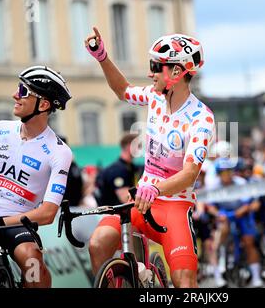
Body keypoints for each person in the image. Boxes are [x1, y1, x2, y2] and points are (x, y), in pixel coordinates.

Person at [85, 27, 215, 287]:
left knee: (185, 282)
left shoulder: (202, 118)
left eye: (156, 66)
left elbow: (189, 174)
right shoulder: (155, 96)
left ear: (176, 72)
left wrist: (155, 189)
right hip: (142, 201)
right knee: (98, 243)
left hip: (175, 205)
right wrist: (102, 56)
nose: (149, 73)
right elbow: (123, 90)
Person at [0, 66, 73, 287]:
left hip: (17, 222)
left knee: (33, 263)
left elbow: (48, 214)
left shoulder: (59, 151)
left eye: (23, 91)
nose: (15, 95)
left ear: (44, 104)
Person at [206, 157, 263, 288]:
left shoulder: (241, 183)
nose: (227, 175)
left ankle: (256, 276)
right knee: (219, 236)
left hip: (242, 213)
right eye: (223, 172)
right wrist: (218, 214)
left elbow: (249, 203)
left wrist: (243, 210)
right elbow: (211, 206)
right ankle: (219, 267)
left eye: (229, 172)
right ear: (219, 174)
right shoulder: (214, 186)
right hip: (224, 215)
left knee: (249, 242)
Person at [94, 133, 139, 206]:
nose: (140, 148)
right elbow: (125, 198)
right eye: (138, 145)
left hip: (122, 212)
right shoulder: (117, 169)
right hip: (112, 214)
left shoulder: (131, 167)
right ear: (129, 146)